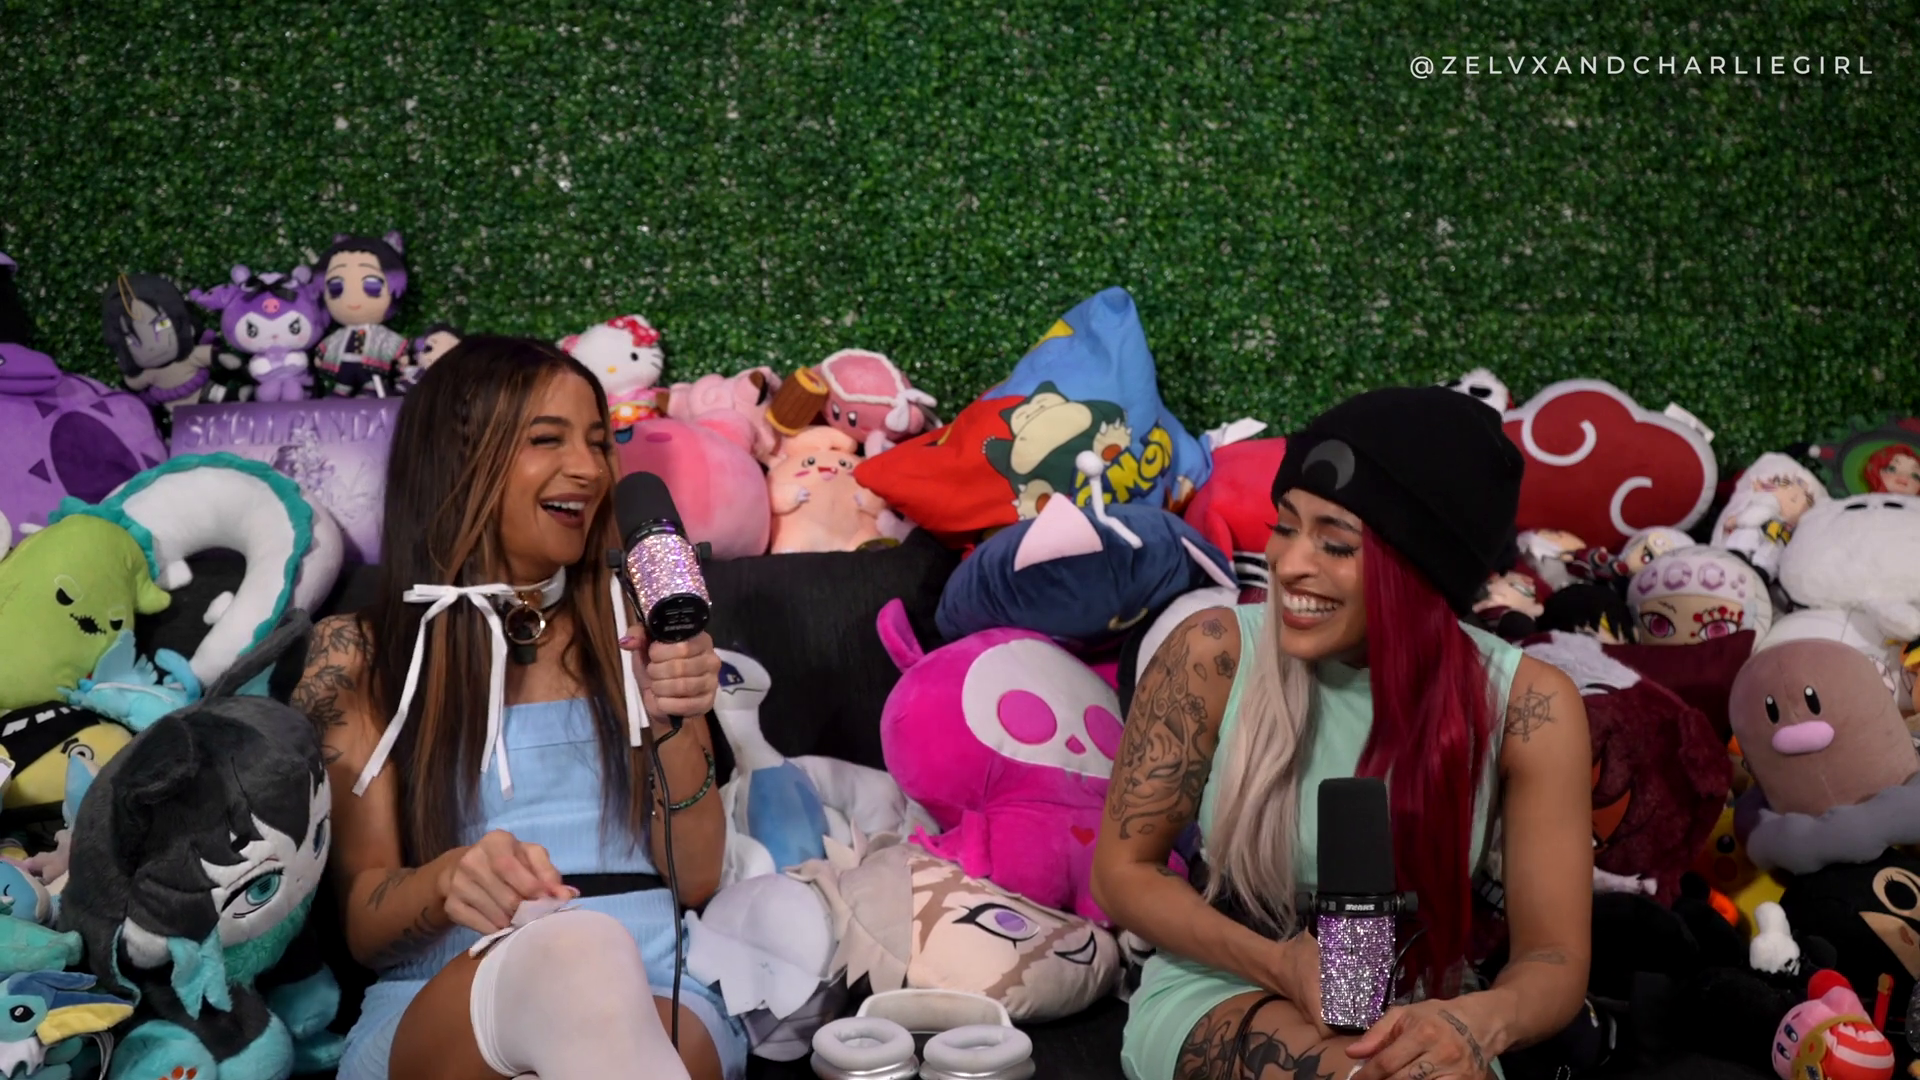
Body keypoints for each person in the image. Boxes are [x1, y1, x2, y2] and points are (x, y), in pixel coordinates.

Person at [1095, 387, 1593, 1080]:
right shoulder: (1212, 652)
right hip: (1229, 982)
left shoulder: (1531, 707)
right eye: (1283, 526)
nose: (1289, 563)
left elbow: (1553, 956)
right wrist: (1281, 963)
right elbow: (1122, 872)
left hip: (1429, 1009)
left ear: (1420, 570)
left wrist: (1473, 1024)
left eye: (1334, 544)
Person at [293, 336, 743, 1080]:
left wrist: (674, 717)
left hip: (659, 984)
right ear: (457, 457)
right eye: (547, 439)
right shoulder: (360, 651)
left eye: (597, 442)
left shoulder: (638, 621)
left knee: (596, 971)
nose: (589, 469)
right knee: (575, 953)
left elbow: (695, 879)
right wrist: (447, 880)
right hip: (448, 990)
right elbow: (366, 924)